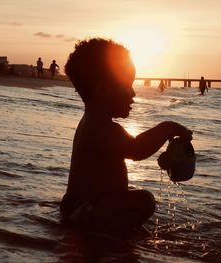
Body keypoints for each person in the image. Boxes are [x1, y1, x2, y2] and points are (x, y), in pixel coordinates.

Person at [60, 38, 192, 237]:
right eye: (127, 85)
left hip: (80, 207)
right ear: (103, 90)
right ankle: (115, 236)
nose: (133, 93)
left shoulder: (90, 122)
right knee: (144, 201)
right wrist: (167, 128)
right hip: (87, 212)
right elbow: (136, 150)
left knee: (132, 214)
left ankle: (122, 233)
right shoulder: (103, 129)